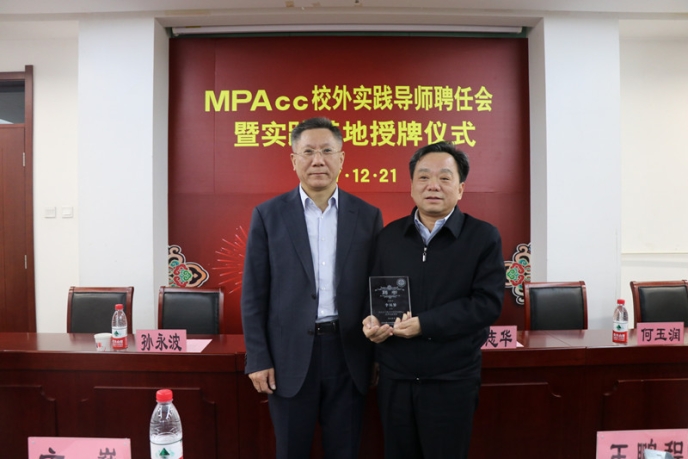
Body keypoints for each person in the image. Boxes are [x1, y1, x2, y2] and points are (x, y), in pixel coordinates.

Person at [241, 117, 383, 459]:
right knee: (291, 450)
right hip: (288, 357)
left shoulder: (368, 216)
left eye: (326, 151)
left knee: (345, 450)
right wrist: (258, 357)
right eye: (308, 152)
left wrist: (377, 354)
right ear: (294, 160)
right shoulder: (268, 215)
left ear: (341, 158)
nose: (318, 160)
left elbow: (375, 287)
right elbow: (254, 294)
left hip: (349, 353)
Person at [363, 140, 504, 459]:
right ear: (412, 186)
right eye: (424, 177)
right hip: (396, 379)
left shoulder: (482, 237)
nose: (433, 186)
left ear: (461, 188)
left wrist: (424, 324)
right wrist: (371, 322)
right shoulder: (389, 237)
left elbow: (487, 304)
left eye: (444, 177)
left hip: (451, 379)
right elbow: (374, 294)